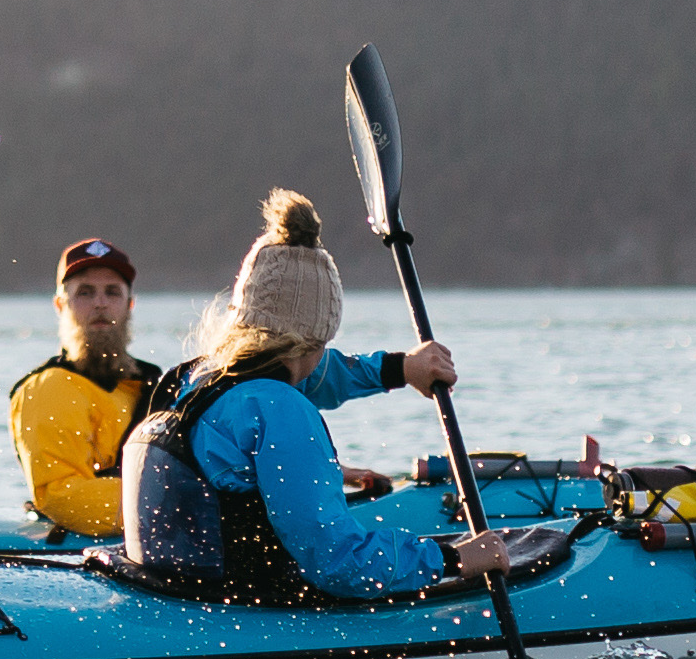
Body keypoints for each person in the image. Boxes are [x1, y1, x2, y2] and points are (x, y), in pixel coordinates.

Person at [121, 190, 460, 605]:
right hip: (242, 605)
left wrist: (400, 368)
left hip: (169, 587)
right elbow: (338, 563)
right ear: (316, 338)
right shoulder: (279, 409)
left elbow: (321, 375)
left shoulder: (196, 378)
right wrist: (452, 559)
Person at [7, 236, 170, 536]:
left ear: (130, 305)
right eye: (85, 292)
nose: (100, 303)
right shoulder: (49, 388)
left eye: (112, 292)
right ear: (60, 305)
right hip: (125, 532)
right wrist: (176, 508)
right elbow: (60, 495)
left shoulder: (152, 385)